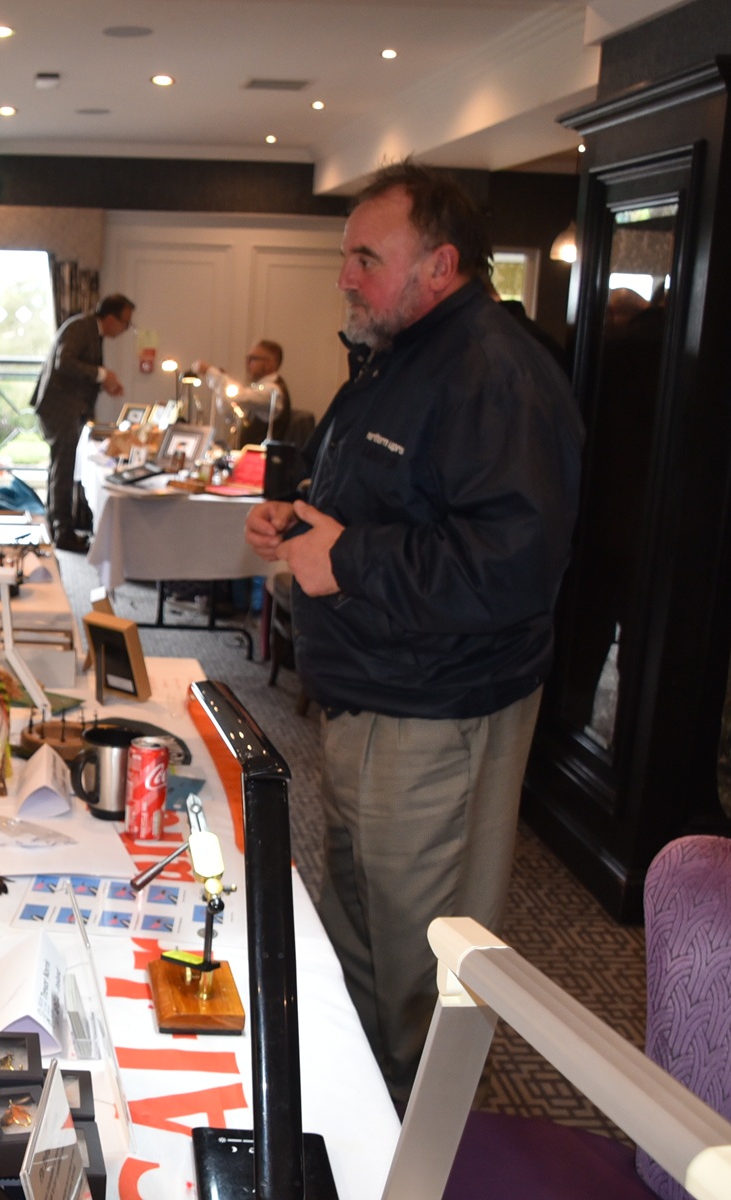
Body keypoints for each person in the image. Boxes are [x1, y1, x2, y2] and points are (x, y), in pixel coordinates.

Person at [243, 159, 582, 1104]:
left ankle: (423, 1141)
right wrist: (299, 517)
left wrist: (348, 560)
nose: (344, 276)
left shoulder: (496, 373)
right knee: (359, 932)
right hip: (370, 696)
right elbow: (390, 501)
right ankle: (362, 1120)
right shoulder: (398, 355)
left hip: (437, 710)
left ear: (441, 264)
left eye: (366, 257)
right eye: (346, 255)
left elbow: (511, 565)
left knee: (422, 966)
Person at [33, 293, 135, 552]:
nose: (125, 329)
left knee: (61, 468)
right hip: (60, 409)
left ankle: (57, 525)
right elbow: (64, 362)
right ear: (110, 318)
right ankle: (63, 532)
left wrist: (103, 382)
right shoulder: (80, 327)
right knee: (63, 469)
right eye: (125, 322)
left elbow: (79, 371)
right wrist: (102, 374)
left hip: (68, 409)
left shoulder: (91, 330)